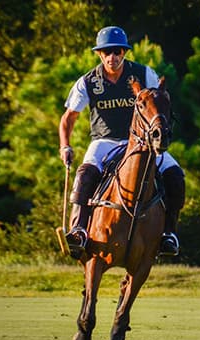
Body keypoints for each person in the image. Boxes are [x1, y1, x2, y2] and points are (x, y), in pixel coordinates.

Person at [59, 26, 185, 259]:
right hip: (105, 141)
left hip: (141, 143)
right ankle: (79, 229)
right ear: (99, 54)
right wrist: (65, 145)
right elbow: (68, 118)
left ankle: (169, 233)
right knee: (85, 174)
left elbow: (160, 101)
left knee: (175, 175)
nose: (112, 57)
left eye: (117, 52)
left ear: (124, 52)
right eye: (106, 52)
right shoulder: (88, 82)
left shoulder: (144, 74)